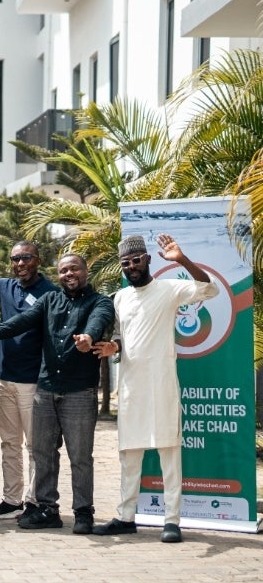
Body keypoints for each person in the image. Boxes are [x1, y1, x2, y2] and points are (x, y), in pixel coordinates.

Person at [91, 233, 219, 544]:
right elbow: (122, 335)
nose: (132, 266)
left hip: (162, 385)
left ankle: (172, 520)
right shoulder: (120, 298)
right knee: (129, 455)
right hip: (132, 386)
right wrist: (113, 347)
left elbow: (210, 289)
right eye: (126, 263)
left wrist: (182, 260)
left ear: (148, 260)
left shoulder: (169, 289)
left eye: (136, 260)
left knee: (169, 453)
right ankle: (125, 517)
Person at [0, 254, 114, 534]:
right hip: (45, 389)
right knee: (43, 453)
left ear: (85, 271)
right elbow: (24, 319)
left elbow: (98, 322)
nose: (69, 274)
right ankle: (47, 509)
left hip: (79, 391)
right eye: (63, 270)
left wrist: (88, 338)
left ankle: (83, 512)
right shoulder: (50, 300)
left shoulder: (99, 301)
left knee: (80, 457)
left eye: (74, 268)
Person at [0, 238, 60, 522]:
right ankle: (12, 499)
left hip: (34, 381)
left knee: (35, 446)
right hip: (5, 378)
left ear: (38, 261)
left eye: (26, 258)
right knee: (9, 443)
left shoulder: (50, 292)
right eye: (15, 259)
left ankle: (34, 499)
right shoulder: (5, 286)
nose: (20, 264)